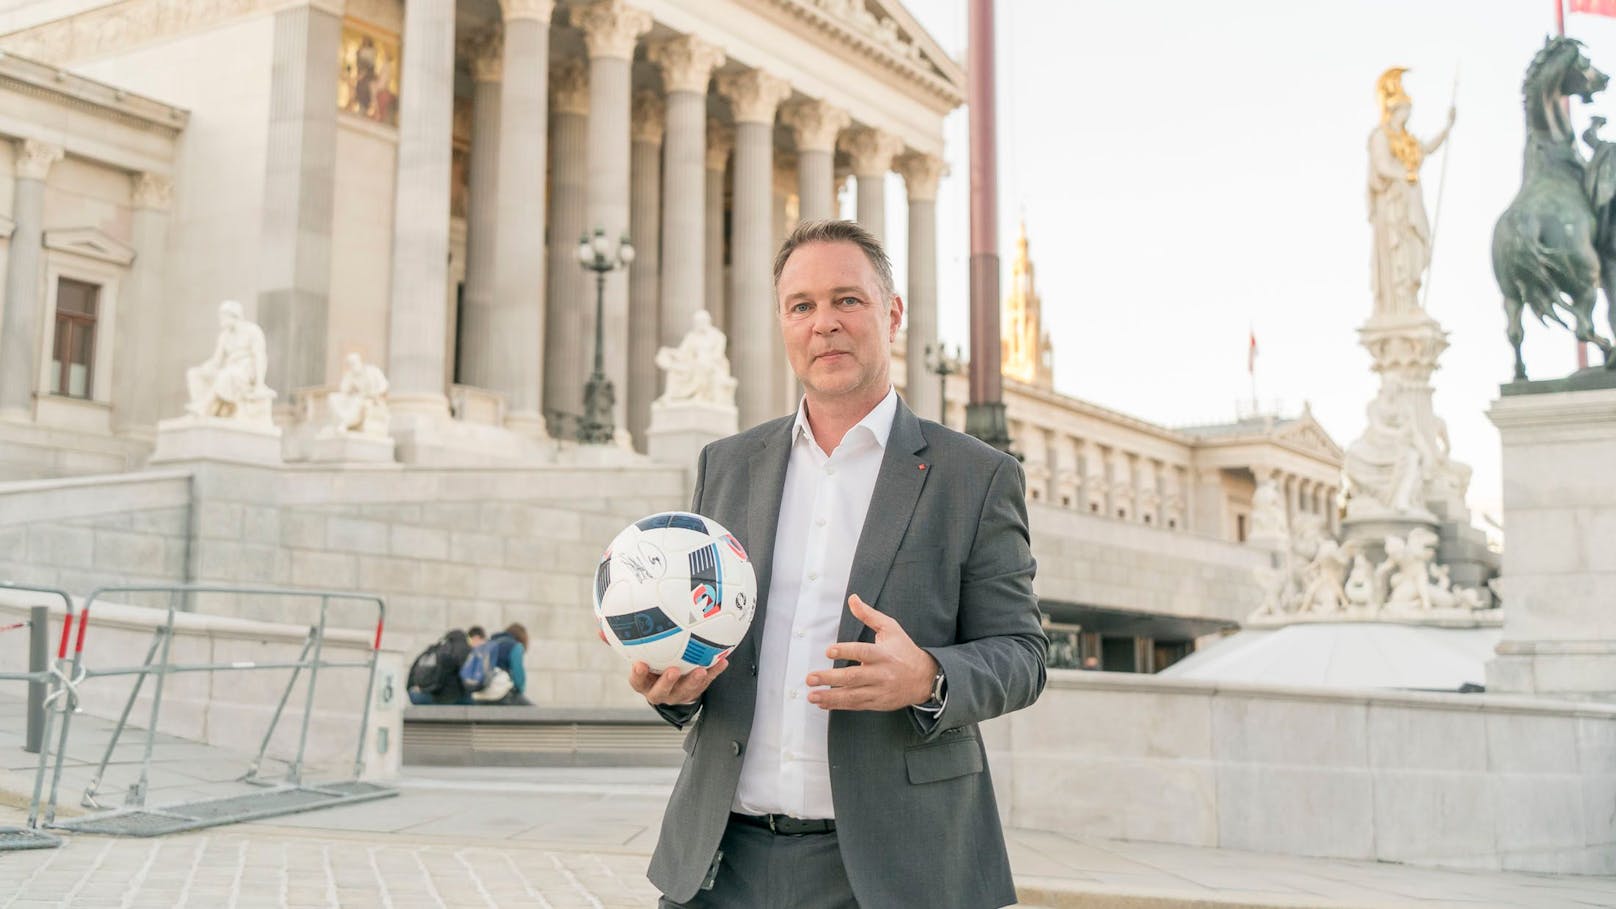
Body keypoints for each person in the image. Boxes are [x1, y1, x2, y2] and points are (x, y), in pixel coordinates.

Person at [633, 220, 1047, 909]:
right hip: (717, 863)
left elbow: (1024, 653)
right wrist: (674, 686)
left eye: (847, 300)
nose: (823, 323)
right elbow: (710, 639)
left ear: (892, 313)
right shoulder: (726, 466)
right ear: (783, 323)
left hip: (892, 870)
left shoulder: (974, 477)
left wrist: (929, 676)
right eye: (802, 306)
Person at [407, 626, 486, 705]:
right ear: (476, 638)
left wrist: (422, 689)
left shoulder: (438, 646)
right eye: (483, 644)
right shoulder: (465, 649)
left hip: (416, 695)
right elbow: (470, 683)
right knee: (480, 702)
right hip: (444, 697)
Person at [472, 623, 532, 706]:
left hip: (480, 695)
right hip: (500, 694)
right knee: (535, 713)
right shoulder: (515, 646)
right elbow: (518, 677)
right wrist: (519, 692)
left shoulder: (488, 644)